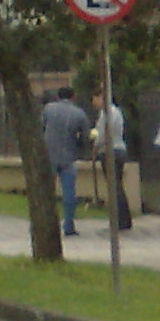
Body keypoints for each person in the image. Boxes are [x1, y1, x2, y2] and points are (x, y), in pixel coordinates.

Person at [39, 87, 91, 235]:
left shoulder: (48, 109)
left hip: (49, 155)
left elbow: (41, 128)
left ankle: (46, 223)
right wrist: (79, 147)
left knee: (46, 191)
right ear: (73, 97)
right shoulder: (79, 114)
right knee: (69, 193)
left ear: (58, 96)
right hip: (68, 156)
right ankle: (69, 225)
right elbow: (85, 137)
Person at [91, 89, 135, 231]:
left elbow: (103, 134)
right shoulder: (114, 112)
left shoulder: (107, 113)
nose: (93, 103)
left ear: (102, 97)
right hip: (119, 149)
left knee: (114, 187)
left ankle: (120, 220)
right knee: (117, 186)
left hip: (110, 151)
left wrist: (95, 147)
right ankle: (124, 219)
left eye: (95, 99)